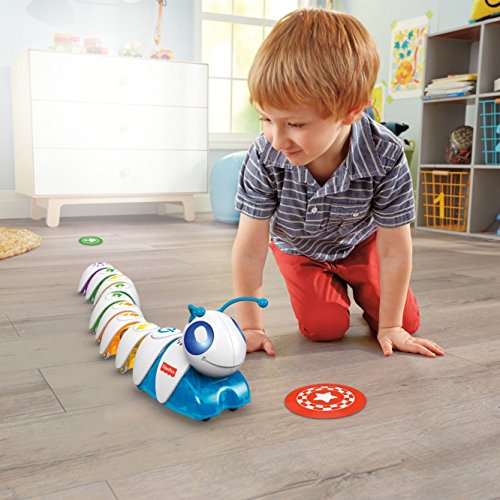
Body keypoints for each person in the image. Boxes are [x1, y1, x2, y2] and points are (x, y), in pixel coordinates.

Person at [231, 8, 445, 359]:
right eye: (266, 118)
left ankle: (371, 299)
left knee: (407, 321)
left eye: (296, 124)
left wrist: (391, 326)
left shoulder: (385, 154)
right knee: (324, 329)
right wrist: (251, 326)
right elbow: (250, 249)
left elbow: (394, 249)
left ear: (351, 111)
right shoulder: (263, 154)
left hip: (361, 244)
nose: (277, 139)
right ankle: (330, 291)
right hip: (300, 249)